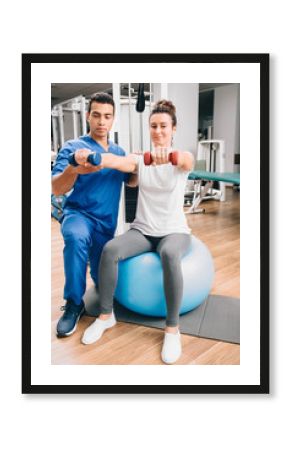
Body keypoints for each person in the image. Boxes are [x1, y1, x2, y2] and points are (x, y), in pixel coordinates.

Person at [77, 99, 194, 364]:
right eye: (153, 126)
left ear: (173, 128)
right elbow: (116, 161)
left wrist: (169, 156)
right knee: (109, 250)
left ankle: (172, 329)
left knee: (170, 255)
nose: (158, 131)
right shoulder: (140, 160)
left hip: (174, 231)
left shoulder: (181, 157)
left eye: (163, 126)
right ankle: (106, 316)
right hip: (142, 231)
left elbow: (187, 160)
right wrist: (93, 157)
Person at [52, 93, 133, 338]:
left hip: (105, 226)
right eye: (96, 115)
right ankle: (74, 304)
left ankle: (98, 287)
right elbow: (57, 188)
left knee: (103, 282)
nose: (101, 121)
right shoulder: (73, 147)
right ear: (88, 116)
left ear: (113, 119)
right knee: (76, 239)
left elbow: (133, 181)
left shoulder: (119, 152)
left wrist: (139, 162)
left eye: (107, 116)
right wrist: (74, 168)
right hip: (79, 215)